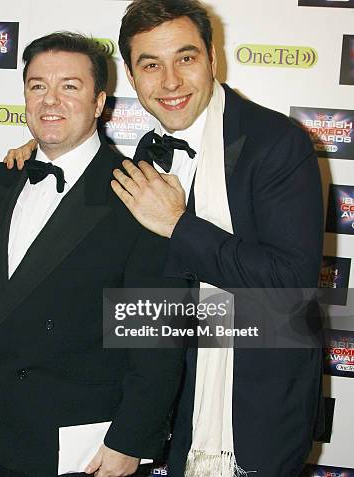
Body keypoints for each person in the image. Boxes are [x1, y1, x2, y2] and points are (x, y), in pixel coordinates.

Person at [110, 1, 324, 476]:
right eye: (151, 64)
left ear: (212, 58)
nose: (170, 82)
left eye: (185, 58)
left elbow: (291, 283)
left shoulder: (276, 142)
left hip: (253, 413)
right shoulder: (149, 149)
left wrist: (178, 225)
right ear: (130, 74)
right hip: (176, 406)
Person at [0, 32, 186, 477]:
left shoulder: (137, 192)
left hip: (88, 446)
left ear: (100, 102)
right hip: (1, 435)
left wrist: (130, 439)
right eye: (37, 86)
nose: (51, 100)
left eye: (70, 86)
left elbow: (157, 337)